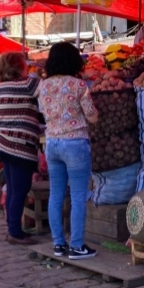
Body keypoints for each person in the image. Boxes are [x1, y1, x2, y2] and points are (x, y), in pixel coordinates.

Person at [37, 42, 99, 260]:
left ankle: (58, 244)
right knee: (78, 196)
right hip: (75, 145)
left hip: (52, 144)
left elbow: (43, 112)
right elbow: (92, 116)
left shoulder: (43, 86)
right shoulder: (78, 85)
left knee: (56, 194)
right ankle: (77, 246)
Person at [0, 52, 41, 246]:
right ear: (20, 66)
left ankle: (12, 228)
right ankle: (15, 232)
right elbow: (47, 94)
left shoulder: (0, 88)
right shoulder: (28, 84)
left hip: (2, 142)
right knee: (20, 189)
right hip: (19, 144)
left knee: (12, 188)